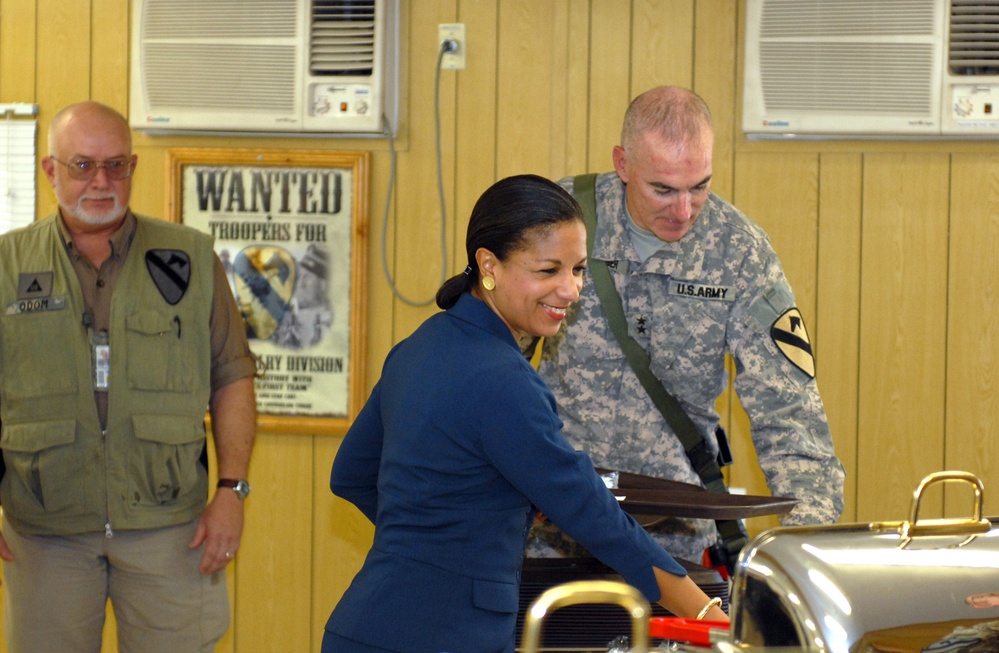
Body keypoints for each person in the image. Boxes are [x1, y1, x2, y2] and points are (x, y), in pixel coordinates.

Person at [322, 174, 728, 653]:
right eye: (548, 270)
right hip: (443, 635)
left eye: (578, 269)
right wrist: (709, 617)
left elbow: (350, 474)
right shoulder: (502, 378)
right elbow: (592, 514)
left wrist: (436, 538)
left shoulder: (418, 347)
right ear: (488, 265)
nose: (571, 290)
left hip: (365, 623)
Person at [530, 86, 845, 563]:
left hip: (672, 538)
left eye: (699, 186)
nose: (683, 211)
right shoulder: (560, 218)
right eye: (664, 189)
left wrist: (807, 548)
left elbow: (790, 411)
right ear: (623, 164)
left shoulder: (739, 252)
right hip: (551, 523)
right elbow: (491, 355)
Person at [0, 101, 257, 653]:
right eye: (82, 165)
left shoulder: (190, 258)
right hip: (46, 531)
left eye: (116, 165)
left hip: (171, 526)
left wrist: (232, 491)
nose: (101, 181)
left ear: (134, 167)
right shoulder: (7, 264)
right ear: (50, 171)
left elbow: (232, 376)